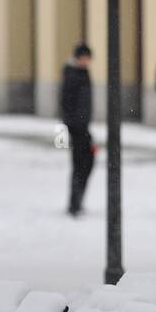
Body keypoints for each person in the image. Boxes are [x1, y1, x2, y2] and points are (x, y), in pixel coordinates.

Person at [60, 42, 95, 217]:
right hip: (76, 127)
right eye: (84, 57)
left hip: (82, 126)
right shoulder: (74, 74)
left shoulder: (81, 73)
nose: (86, 61)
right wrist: (72, 125)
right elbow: (67, 102)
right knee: (81, 163)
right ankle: (75, 202)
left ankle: (77, 200)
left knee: (85, 162)